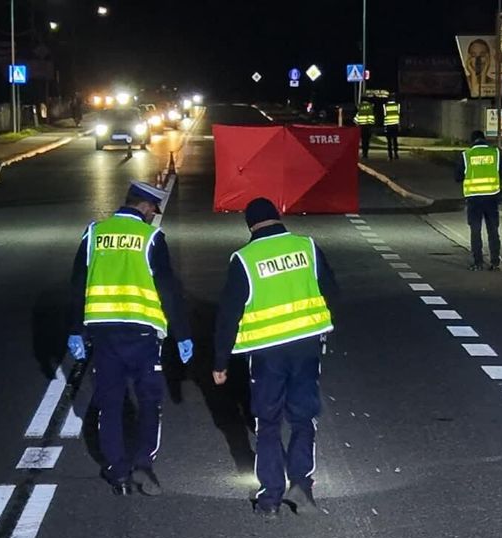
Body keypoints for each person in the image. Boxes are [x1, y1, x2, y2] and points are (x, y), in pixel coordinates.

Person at [212, 197, 339, 519]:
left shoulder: (244, 258)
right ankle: (302, 484)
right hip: (306, 348)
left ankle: (270, 498)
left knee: (267, 423)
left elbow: (229, 314)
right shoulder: (306, 247)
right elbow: (332, 291)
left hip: (267, 355)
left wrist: (220, 361)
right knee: (303, 417)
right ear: (278, 216)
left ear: (250, 225)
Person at [67, 182, 193, 496]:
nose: (153, 216)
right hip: (142, 334)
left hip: (104, 333)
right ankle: (143, 465)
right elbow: (167, 288)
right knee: (149, 401)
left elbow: (78, 282)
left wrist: (75, 329)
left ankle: (118, 474)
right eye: (154, 210)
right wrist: (182, 334)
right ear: (147, 207)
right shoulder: (152, 238)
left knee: (109, 404)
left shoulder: (95, 233)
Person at [454, 130, 502, 271]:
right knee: (493, 230)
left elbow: (458, 177)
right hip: (492, 197)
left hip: (473, 199)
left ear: (472, 141)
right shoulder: (495, 153)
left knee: (475, 230)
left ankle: (478, 262)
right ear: (484, 140)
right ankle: (495, 261)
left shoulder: (466, 155)